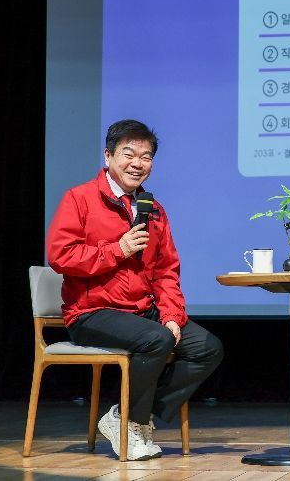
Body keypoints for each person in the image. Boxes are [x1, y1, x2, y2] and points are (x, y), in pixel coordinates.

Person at [47, 119, 224, 461]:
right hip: (91, 312)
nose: (137, 163)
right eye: (128, 154)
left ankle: (126, 416)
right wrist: (118, 249)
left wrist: (171, 315)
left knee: (206, 347)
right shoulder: (80, 198)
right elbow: (60, 255)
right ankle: (132, 420)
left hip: (142, 311)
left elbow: (166, 271)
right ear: (108, 156)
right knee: (156, 339)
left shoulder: (153, 210)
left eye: (146, 157)